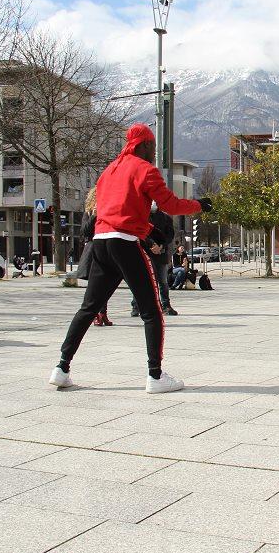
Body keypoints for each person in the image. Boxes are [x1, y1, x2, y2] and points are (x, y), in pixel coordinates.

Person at [52, 123, 212, 394]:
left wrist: (150, 231)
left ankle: (61, 368)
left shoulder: (109, 171)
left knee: (88, 309)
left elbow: (116, 212)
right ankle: (155, 375)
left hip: (100, 244)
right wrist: (199, 205)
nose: (154, 153)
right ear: (144, 145)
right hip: (124, 245)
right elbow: (169, 204)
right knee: (152, 312)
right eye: (152, 147)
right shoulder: (145, 169)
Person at [130, 202, 177, 317]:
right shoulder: (141, 215)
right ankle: (136, 307)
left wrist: (161, 245)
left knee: (163, 281)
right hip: (144, 252)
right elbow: (140, 232)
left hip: (161, 254)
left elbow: (169, 235)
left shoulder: (166, 217)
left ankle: (166, 305)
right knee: (141, 281)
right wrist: (151, 244)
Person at [77, 187, 112, 326]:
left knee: (106, 284)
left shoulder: (109, 211)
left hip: (106, 249)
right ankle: (95, 313)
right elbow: (84, 232)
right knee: (95, 285)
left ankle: (103, 312)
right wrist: (94, 216)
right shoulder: (89, 212)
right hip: (93, 250)